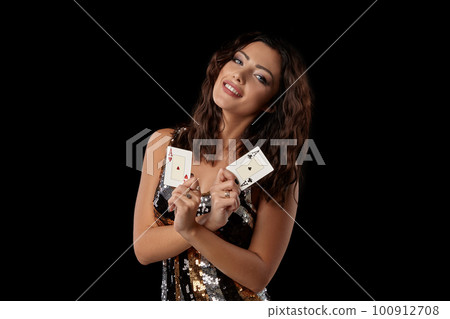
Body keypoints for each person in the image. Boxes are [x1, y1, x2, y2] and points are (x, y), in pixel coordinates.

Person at [133, 32, 313, 300]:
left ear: (272, 105)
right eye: (239, 61)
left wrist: (193, 228)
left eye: (260, 77)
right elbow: (143, 249)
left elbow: (259, 275)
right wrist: (206, 220)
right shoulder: (165, 144)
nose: (240, 75)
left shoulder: (272, 168)